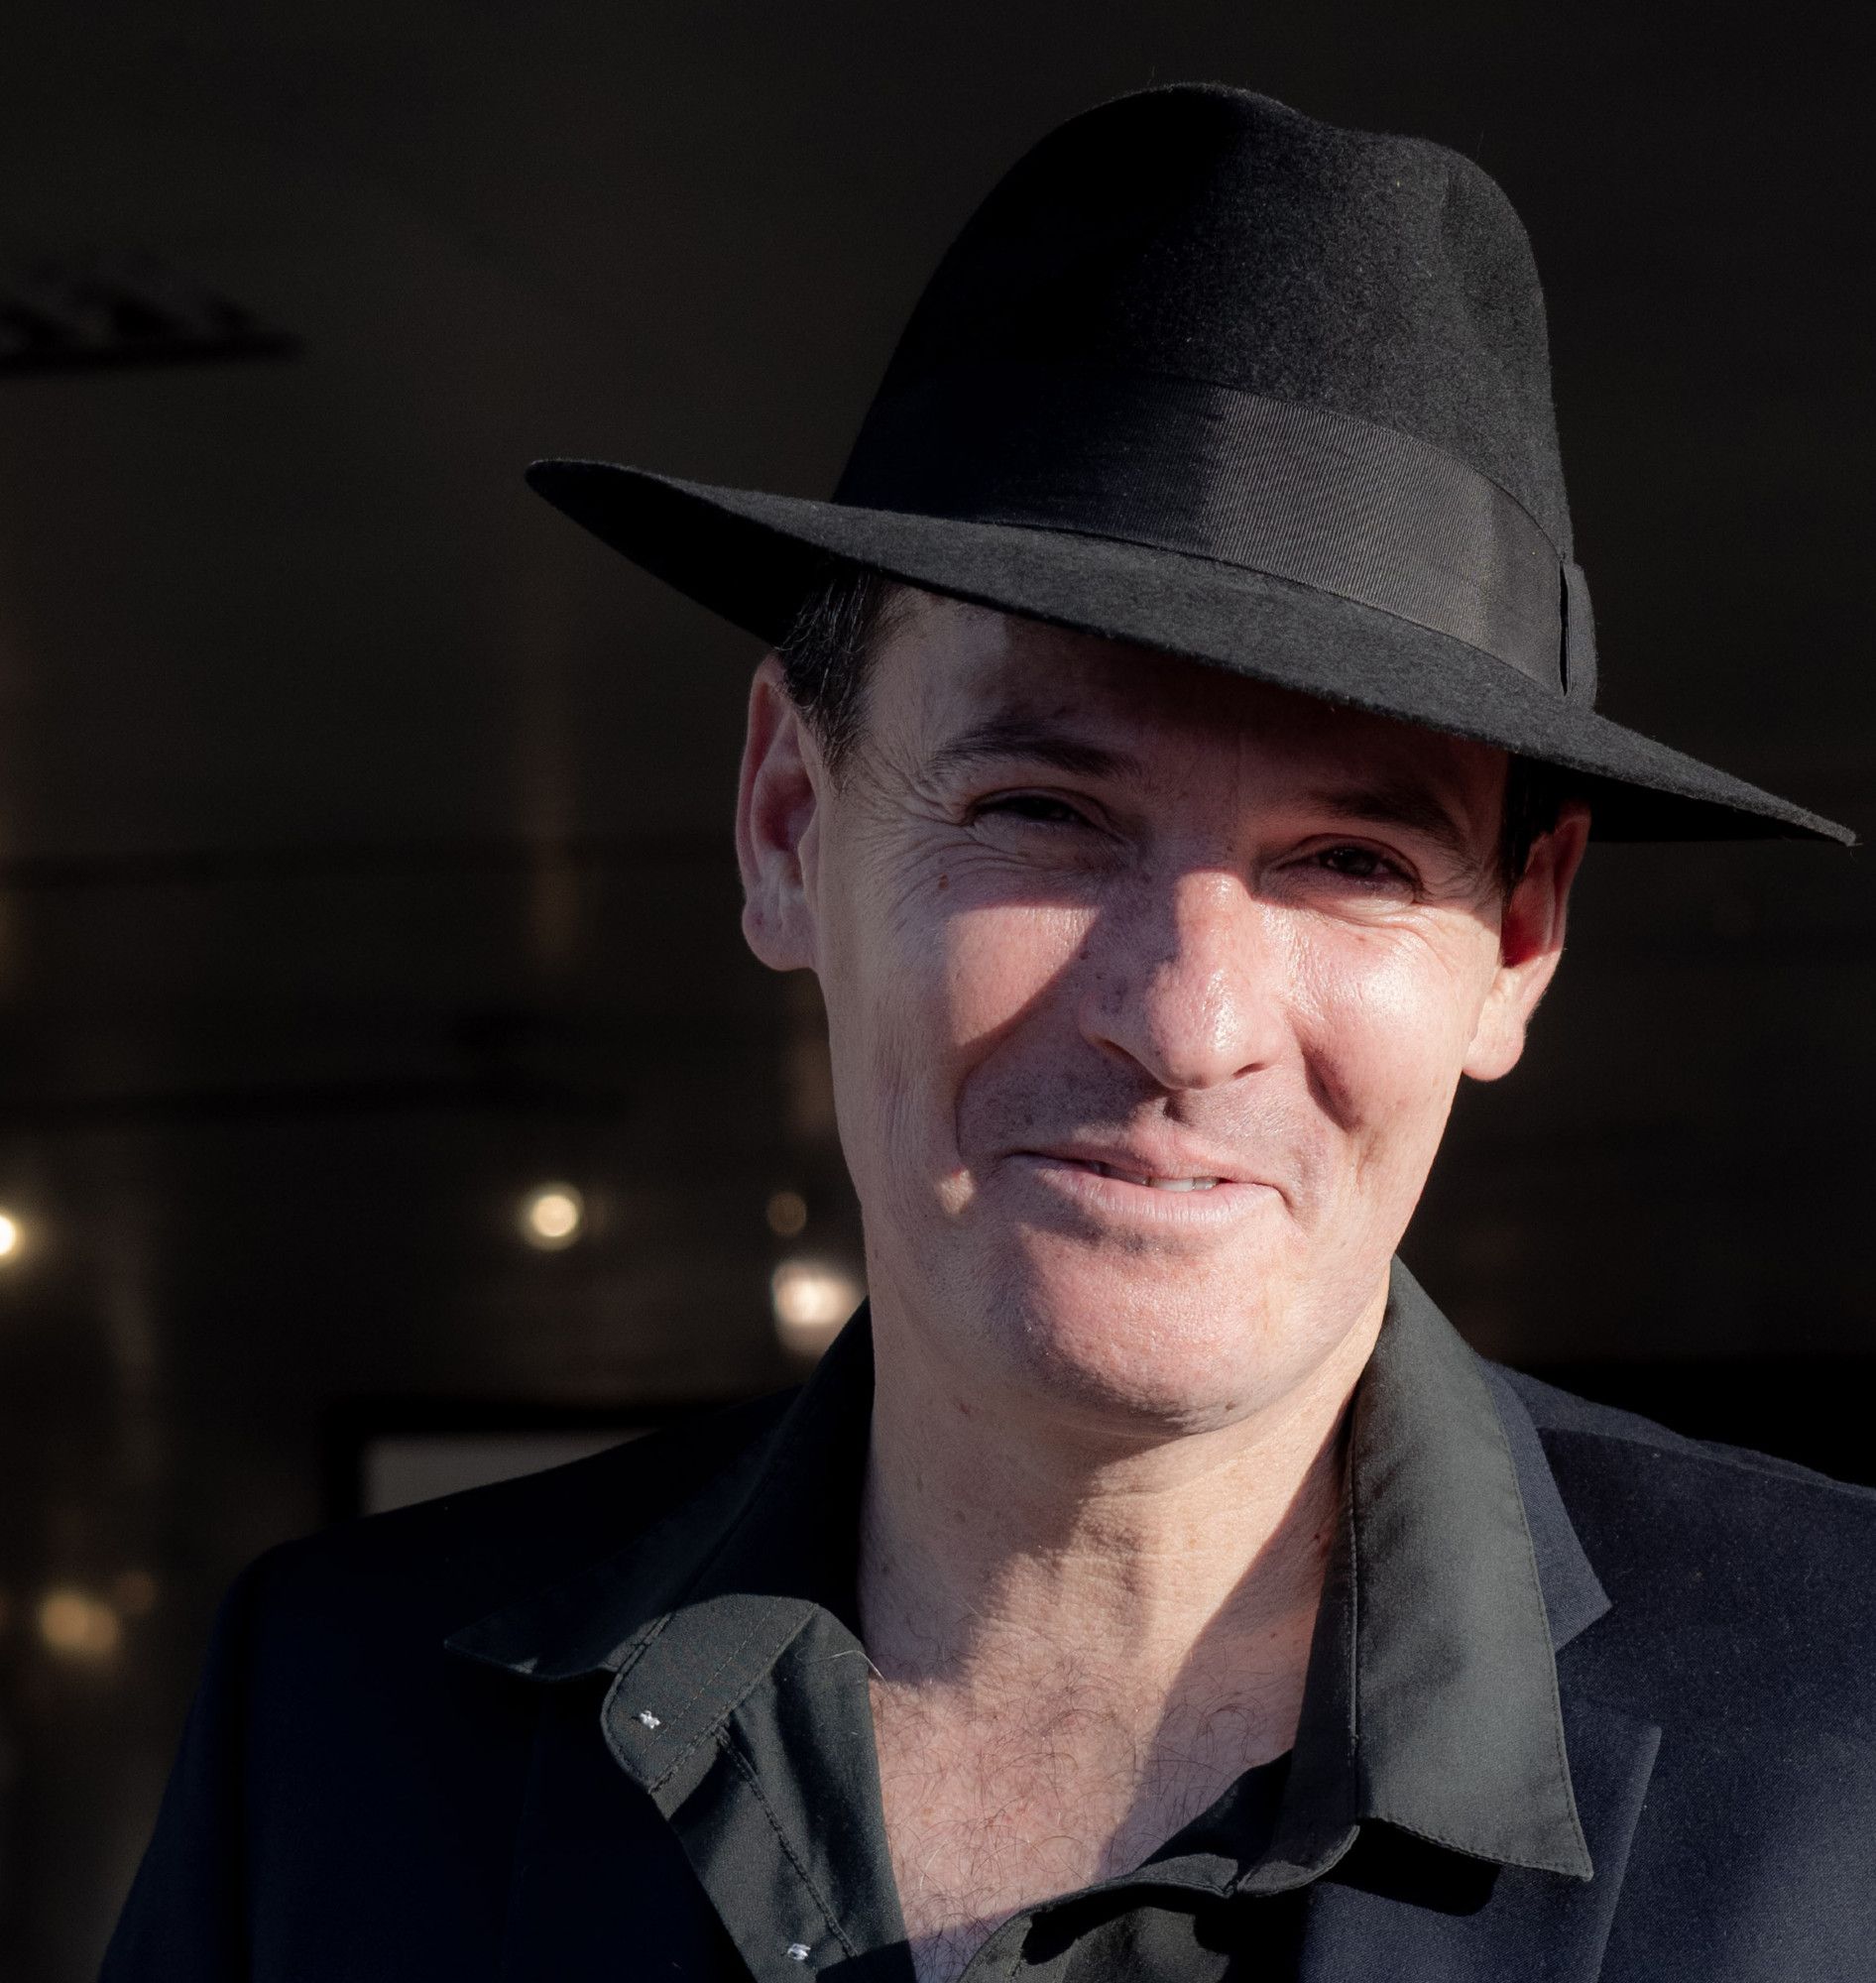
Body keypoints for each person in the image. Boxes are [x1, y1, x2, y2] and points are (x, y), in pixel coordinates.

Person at [104, 83, 1871, 1983]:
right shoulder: (341, 1730)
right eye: (1044, 813)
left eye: (1353, 857)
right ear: (790, 823)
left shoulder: (1853, 1740)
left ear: (1518, 941)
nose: (1190, 1019)